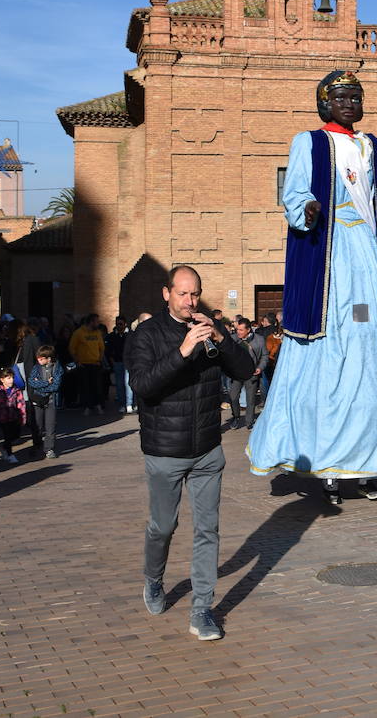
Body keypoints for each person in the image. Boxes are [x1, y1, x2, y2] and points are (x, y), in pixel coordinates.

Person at [248, 71, 377, 506]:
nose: (349, 103)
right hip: (329, 256)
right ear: (325, 103)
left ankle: (369, 464)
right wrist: (306, 207)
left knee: (370, 350)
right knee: (328, 358)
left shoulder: (374, 147)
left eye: (355, 97)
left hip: (369, 254)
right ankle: (327, 467)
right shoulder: (308, 142)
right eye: (341, 97)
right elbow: (294, 193)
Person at [126, 265, 253, 641]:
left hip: (207, 450)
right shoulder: (148, 334)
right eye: (182, 293)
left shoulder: (210, 329)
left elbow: (245, 369)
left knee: (207, 530)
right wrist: (182, 351)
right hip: (165, 449)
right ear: (166, 294)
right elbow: (143, 386)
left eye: (195, 293)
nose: (190, 301)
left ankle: (202, 610)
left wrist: (222, 338)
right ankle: (154, 579)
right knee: (163, 526)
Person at [228, 319, 266, 428]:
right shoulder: (233, 339)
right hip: (237, 374)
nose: (238, 332)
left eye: (241, 330)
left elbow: (264, 356)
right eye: (237, 329)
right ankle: (236, 417)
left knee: (250, 400)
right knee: (233, 397)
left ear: (248, 329)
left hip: (252, 374)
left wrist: (260, 368)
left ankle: (249, 422)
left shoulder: (259, 339)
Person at [26, 345, 62, 458]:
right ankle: (37, 445)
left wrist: (40, 386)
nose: (38, 360)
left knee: (50, 426)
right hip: (38, 400)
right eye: (38, 358)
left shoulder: (57, 368)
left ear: (49, 358)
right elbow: (31, 382)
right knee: (37, 426)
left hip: (51, 400)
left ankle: (49, 448)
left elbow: (56, 386)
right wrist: (46, 383)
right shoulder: (36, 368)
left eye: (41, 358)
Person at [68, 314, 106, 416]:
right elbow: (72, 348)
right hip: (83, 364)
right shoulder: (78, 333)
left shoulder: (97, 333)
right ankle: (87, 407)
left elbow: (102, 348)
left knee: (97, 387)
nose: (98, 323)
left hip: (95, 364)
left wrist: (100, 359)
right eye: (96, 321)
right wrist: (77, 361)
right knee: (85, 387)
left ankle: (98, 405)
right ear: (91, 322)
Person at [0, 368, 27, 463]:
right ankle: (10, 455)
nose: (11, 380)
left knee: (15, 435)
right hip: (2, 417)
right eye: (8, 378)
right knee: (7, 436)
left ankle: (3, 447)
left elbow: (21, 403)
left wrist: (23, 416)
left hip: (14, 416)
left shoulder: (16, 390)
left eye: (12, 378)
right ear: (2, 379)